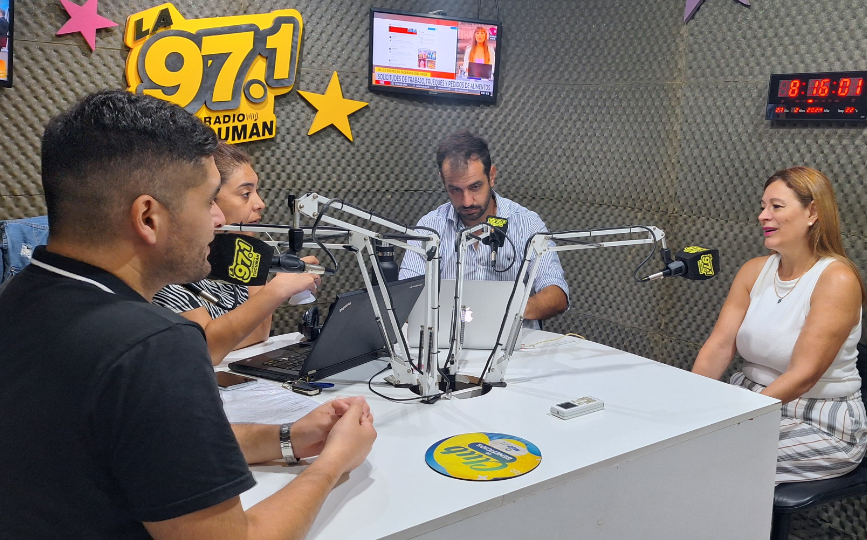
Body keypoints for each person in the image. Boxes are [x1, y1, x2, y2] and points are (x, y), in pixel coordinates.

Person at [0, 90, 376, 539]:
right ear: (148, 217)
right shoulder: (153, 345)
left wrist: (286, 437)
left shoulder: (18, 296)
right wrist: (333, 463)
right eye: (208, 200)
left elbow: (143, 444)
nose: (219, 219)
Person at [691, 166, 867, 484]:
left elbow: (803, 375)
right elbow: (719, 345)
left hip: (819, 419)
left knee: (707, 464)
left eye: (776, 206)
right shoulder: (753, 270)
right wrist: (688, 399)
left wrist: (739, 419)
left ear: (812, 212)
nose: (763, 216)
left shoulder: (837, 280)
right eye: (763, 206)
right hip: (749, 399)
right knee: (667, 446)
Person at [152, 141, 319, 364]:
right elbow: (205, 347)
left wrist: (277, 283)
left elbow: (259, 332)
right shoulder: (171, 266)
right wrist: (278, 290)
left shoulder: (239, 252)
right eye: (245, 193)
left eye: (256, 192)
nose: (260, 204)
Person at [399, 130, 569, 323]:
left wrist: (515, 309)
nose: (467, 201)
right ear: (443, 181)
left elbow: (557, 294)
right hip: (448, 339)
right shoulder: (429, 228)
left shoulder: (527, 223)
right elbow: (406, 301)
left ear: (492, 176)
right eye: (455, 190)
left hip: (514, 339)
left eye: (475, 187)